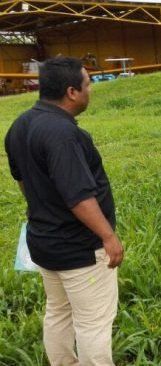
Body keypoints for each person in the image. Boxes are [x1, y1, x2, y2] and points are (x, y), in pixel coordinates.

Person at [4, 57, 123, 365]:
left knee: (58, 312)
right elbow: (79, 197)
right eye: (87, 85)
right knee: (93, 323)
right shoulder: (64, 135)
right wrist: (108, 237)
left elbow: (22, 180)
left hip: (43, 241)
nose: (89, 91)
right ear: (72, 92)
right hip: (80, 249)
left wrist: (45, 209)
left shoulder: (19, 125)